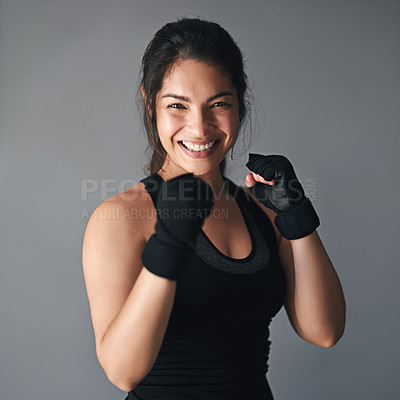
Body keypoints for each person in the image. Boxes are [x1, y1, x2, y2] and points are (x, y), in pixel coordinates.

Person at [82, 17, 346, 400]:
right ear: (149, 103)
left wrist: (296, 217)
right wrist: (168, 248)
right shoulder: (122, 218)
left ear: (240, 102)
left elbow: (324, 331)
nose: (200, 128)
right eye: (177, 105)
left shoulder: (263, 209)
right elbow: (122, 373)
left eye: (219, 104)